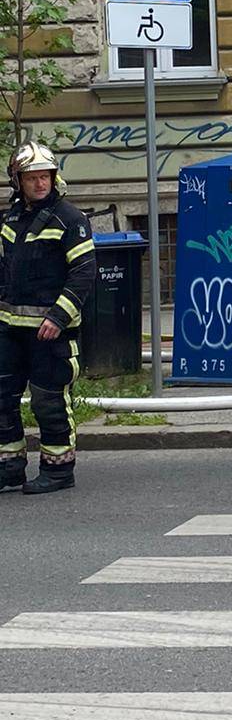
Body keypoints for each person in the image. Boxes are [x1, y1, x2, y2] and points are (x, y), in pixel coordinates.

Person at [0, 143, 96, 495]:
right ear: (18, 181)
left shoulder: (70, 219)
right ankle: (9, 467)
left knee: (49, 401)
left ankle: (58, 469)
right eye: (32, 178)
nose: (40, 184)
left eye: (45, 177)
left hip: (50, 332)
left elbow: (84, 273)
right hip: (10, 330)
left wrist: (58, 316)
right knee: (1, 398)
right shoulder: (11, 219)